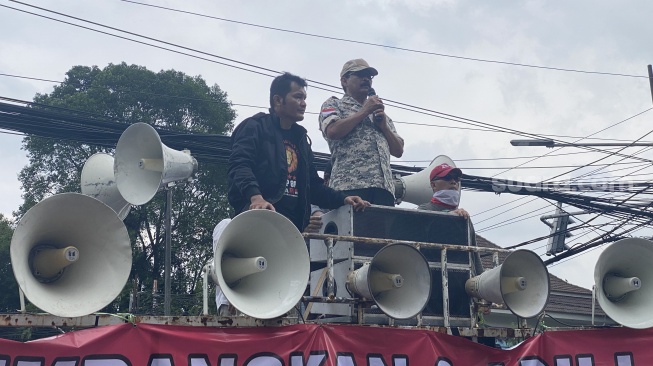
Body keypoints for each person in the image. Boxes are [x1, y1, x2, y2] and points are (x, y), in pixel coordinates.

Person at [228, 72, 369, 231]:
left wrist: (344, 199)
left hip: (293, 229)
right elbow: (240, 165)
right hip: (259, 220)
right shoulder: (255, 126)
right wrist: (256, 198)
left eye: (305, 99)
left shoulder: (300, 139)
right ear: (278, 100)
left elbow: (314, 186)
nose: (303, 104)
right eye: (298, 97)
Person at [319, 59, 404, 206]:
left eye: (369, 77)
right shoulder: (334, 104)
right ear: (344, 80)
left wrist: (384, 127)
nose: (366, 79)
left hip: (384, 190)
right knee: (353, 229)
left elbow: (398, 150)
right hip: (349, 188)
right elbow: (332, 131)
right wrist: (364, 111)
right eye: (360, 75)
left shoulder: (381, 114)